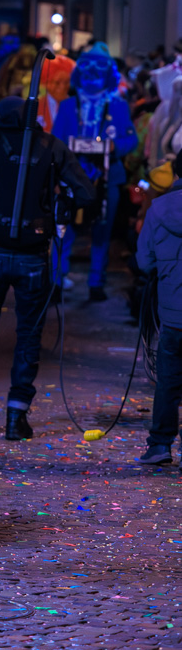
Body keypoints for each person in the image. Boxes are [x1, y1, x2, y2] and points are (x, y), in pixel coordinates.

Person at [0, 96, 96, 440]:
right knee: (29, 335)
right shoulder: (51, 146)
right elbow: (87, 194)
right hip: (33, 254)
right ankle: (15, 418)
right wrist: (60, 204)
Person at [52, 43, 137, 300]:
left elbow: (131, 140)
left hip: (107, 179)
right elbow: (55, 140)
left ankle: (96, 282)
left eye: (98, 70)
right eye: (86, 69)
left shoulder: (119, 106)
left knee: (102, 230)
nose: (92, 74)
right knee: (64, 229)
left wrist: (113, 146)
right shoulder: (67, 105)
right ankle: (57, 279)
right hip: (71, 179)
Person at [137, 150, 182, 465]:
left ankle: (160, 445)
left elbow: (144, 261)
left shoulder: (158, 209)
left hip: (172, 313)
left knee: (168, 379)